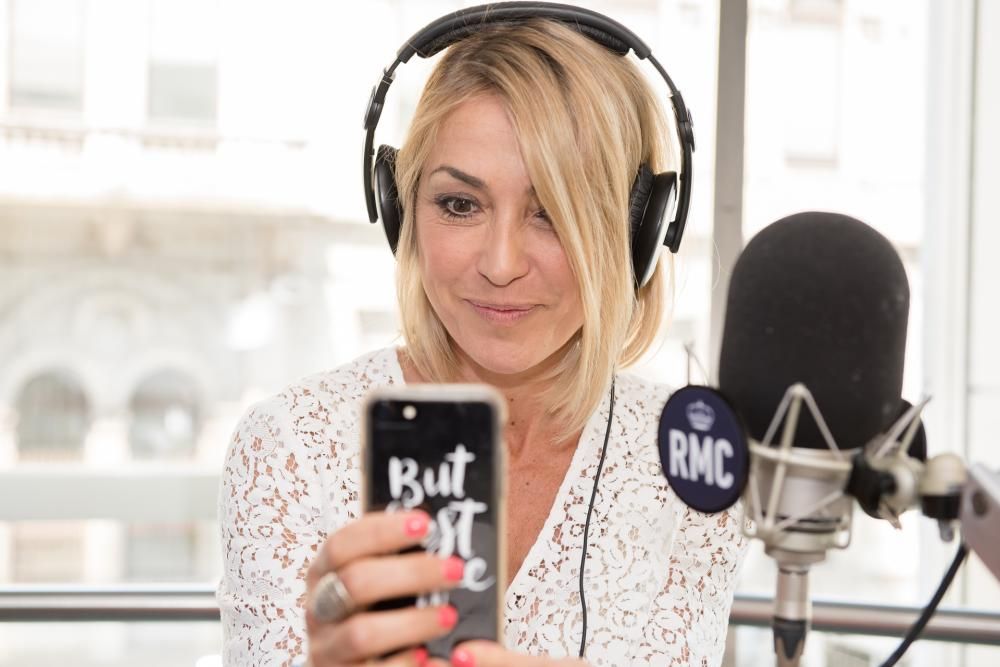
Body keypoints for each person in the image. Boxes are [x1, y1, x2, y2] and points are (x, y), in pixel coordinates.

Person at [217, 9, 747, 667]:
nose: (500, 264)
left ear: (636, 233)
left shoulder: (690, 461)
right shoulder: (289, 448)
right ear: (401, 210)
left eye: (552, 213)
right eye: (460, 205)